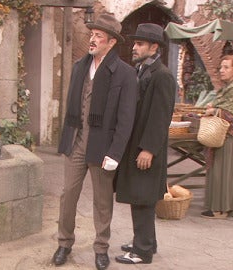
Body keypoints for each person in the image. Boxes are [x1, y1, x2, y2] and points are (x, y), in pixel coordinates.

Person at [52, 13, 138, 270]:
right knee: (68, 195)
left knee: (102, 201)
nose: (92, 39)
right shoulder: (79, 66)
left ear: (111, 42)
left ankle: (101, 247)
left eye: (98, 36)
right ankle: (64, 243)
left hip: (103, 147)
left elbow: (126, 118)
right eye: (92, 34)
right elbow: (71, 106)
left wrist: (116, 152)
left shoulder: (124, 73)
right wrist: (66, 139)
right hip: (77, 141)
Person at [114, 23, 176, 264]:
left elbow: (161, 117)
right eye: (135, 43)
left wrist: (148, 149)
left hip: (147, 149)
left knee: (143, 197)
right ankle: (146, 240)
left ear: (154, 47)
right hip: (138, 145)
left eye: (140, 44)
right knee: (139, 195)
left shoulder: (163, 76)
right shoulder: (142, 70)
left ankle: (142, 251)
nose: (134, 47)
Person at [200, 54, 233, 219]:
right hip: (219, 135)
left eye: (226, 67)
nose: (222, 70)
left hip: (229, 137)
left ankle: (223, 208)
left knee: (224, 171)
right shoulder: (226, 89)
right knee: (216, 170)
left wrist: (215, 111)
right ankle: (215, 205)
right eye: (221, 67)